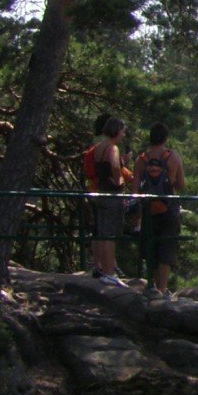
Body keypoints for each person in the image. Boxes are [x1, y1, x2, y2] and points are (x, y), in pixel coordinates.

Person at [133, 123, 186, 295]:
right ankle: (162, 289)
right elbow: (180, 185)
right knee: (167, 247)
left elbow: (135, 190)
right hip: (168, 208)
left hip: (148, 209)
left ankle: (155, 287)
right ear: (166, 138)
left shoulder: (141, 160)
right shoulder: (172, 157)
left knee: (151, 247)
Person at [82, 114, 129, 284]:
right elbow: (115, 167)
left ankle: (101, 268)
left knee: (101, 233)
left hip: (99, 192)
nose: (123, 134)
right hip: (111, 194)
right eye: (123, 131)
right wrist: (120, 181)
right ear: (116, 130)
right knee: (110, 235)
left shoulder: (99, 146)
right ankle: (110, 272)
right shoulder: (112, 148)